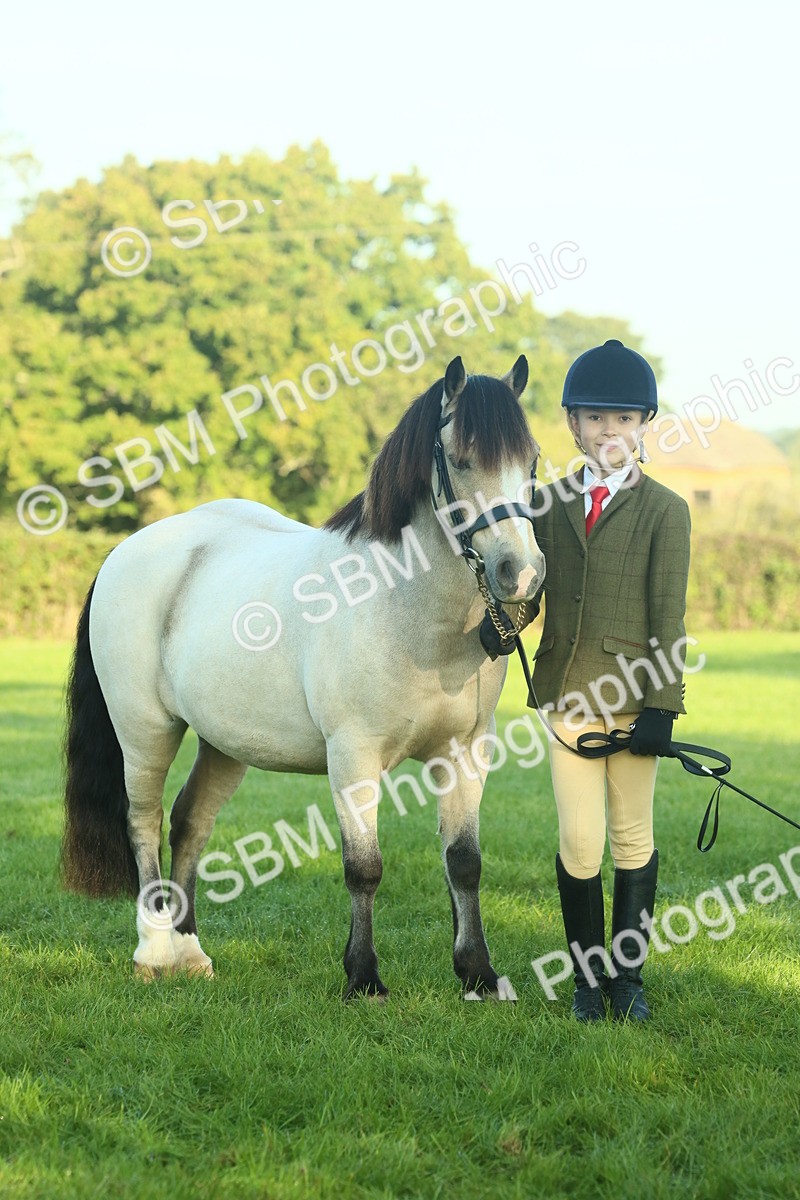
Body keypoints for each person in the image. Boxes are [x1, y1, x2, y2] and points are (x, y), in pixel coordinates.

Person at [480, 339, 691, 1022]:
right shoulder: (548, 501)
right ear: (573, 424)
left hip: (635, 698)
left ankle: (627, 981)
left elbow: (669, 612)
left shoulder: (666, 510)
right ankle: (585, 981)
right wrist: (506, 625)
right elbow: (533, 586)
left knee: (633, 838)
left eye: (625, 419)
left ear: (643, 426)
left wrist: (662, 705)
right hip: (568, 694)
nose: (610, 432)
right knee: (580, 842)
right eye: (596, 419)